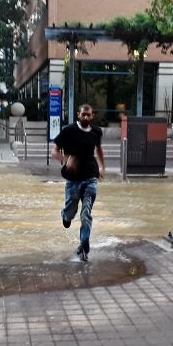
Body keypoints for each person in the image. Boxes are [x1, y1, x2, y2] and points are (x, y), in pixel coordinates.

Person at [52, 104, 106, 262]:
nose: (86, 117)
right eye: (84, 115)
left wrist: (102, 167)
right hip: (73, 179)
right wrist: (65, 161)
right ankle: (66, 216)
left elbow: (99, 149)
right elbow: (54, 150)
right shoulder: (69, 130)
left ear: (92, 116)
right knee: (71, 210)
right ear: (78, 114)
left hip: (90, 176)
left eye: (89, 115)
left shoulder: (96, 132)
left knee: (86, 213)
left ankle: (84, 245)